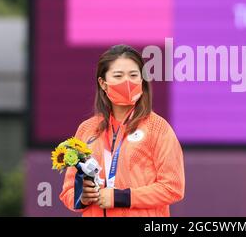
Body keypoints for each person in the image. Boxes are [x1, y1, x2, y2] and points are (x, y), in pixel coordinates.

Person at [60, 45, 185, 216]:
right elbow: (68, 192)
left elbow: (173, 187)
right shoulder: (87, 129)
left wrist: (121, 197)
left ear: (142, 80)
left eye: (134, 75)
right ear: (103, 83)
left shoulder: (158, 128)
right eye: (118, 76)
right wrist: (83, 196)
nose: (127, 81)